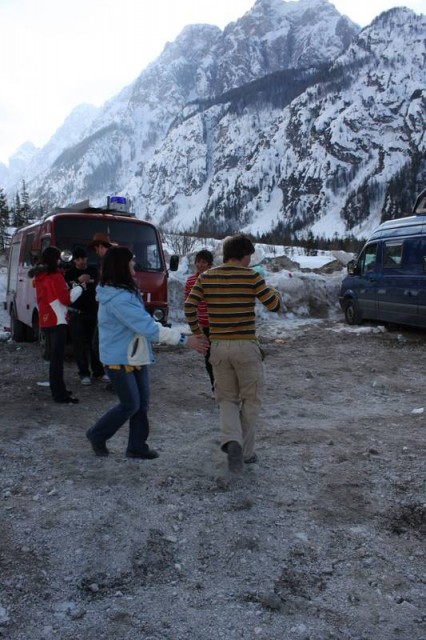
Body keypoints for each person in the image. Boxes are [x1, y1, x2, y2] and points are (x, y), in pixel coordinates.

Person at [86, 246, 209, 459]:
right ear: (121, 266)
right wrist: (184, 340)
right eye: (131, 261)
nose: (134, 263)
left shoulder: (125, 291)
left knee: (141, 404)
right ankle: (97, 434)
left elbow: (144, 322)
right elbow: (149, 329)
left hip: (134, 355)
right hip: (119, 359)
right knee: (130, 404)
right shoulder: (118, 299)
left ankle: (136, 446)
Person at [184, 234, 282, 472]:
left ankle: (231, 439)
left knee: (227, 398)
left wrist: (199, 334)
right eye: (249, 256)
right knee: (251, 399)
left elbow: (189, 306)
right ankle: (246, 452)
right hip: (246, 346)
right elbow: (274, 305)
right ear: (245, 255)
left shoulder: (207, 276)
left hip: (218, 346)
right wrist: (271, 288)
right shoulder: (252, 276)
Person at [29, 246, 84, 404]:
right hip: (57, 319)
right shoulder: (55, 276)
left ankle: (57, 390)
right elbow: (66, 299)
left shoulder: (40, 276)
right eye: (59, 258)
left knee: (55, 359)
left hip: (46, 319)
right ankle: (60, 394)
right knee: (57, 361)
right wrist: (79, 288)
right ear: (55, 259)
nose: (61, 261)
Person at [65, 247, 106, 385]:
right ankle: (84, 374)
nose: (81, 261)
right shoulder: (70, 273)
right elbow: (66, 290)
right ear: (74, 260)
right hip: (76, 313)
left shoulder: (93, 271)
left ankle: (98, 372)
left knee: (94, 344)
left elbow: (100, 286)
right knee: (79, 344)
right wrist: (79, 280)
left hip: (93, 312)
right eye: (78, 259)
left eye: (83, 258)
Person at [184, 249, 215, 395]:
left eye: (203, 262)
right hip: (203, 326)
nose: (200, 265)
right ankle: (216, 388)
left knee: (221, 357)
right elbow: (188, 303)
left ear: (210, 264)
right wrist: (196, 327)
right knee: (209, 359)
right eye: (198, 261)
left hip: (218, 325)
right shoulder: (191, 281)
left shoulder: (216, 279)